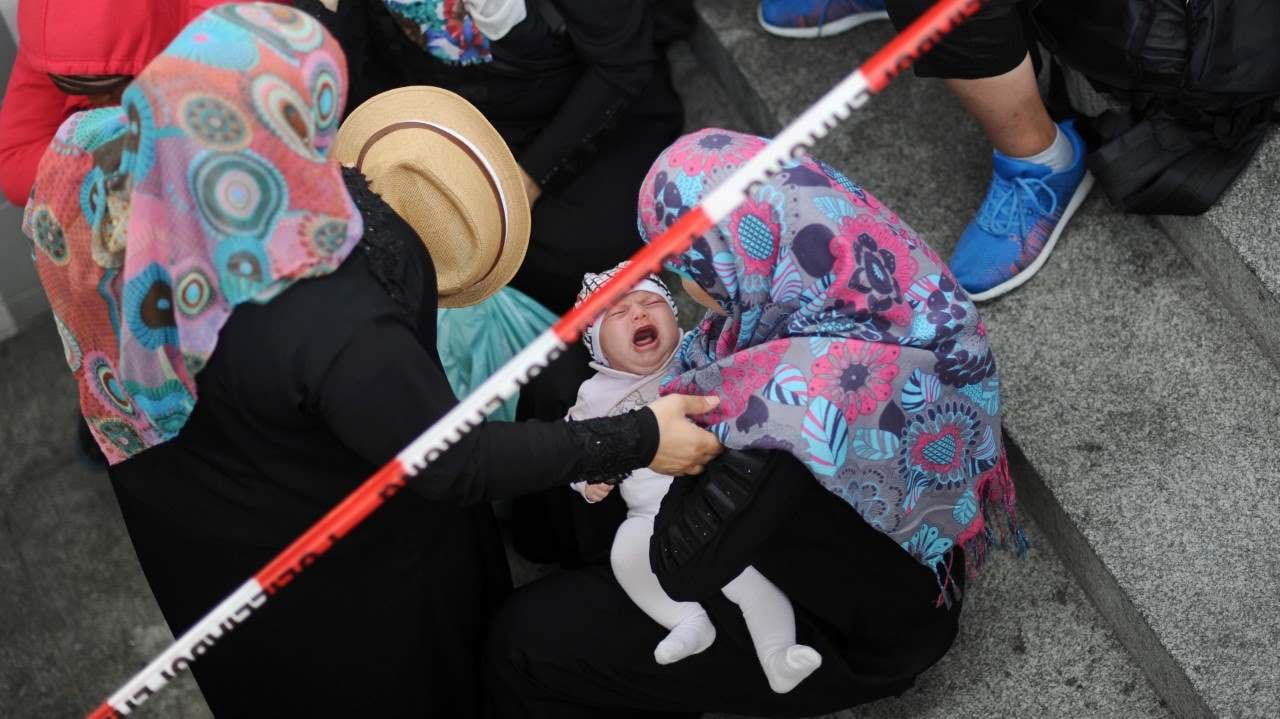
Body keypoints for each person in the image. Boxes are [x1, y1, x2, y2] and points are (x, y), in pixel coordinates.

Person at [22, 6, 721, 716]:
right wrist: (641, 437)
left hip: (193, 519)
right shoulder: (333, 320)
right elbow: (455, 459)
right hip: (346, 566)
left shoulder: (101, 161)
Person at [485, 129, 1025, 716]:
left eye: (682, 265)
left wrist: (632, 442)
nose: (683, 284)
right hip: (846, 549)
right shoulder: (877, 284)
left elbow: (681, 563)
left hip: (848, 630)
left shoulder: (785, 407)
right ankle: (561, 549)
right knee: (564, 387)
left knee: (523, 642)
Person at [296, 0, 688, 314]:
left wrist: (529, 179)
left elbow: (620, 68)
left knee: (568, 252)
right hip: (440, 96)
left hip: (567, 107)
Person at [568, 263, 821, 694]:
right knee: (626, 554)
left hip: (712, 492)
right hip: (646, 511)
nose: (638, 314)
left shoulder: (696, 353)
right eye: (617, 313)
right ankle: (687, 621)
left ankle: (778, 655)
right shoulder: (592, 398)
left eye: (651, 303)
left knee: (744, 576)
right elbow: (574, 448)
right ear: (597, 347)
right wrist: (588, 482)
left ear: (674, 315)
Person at [0, 0, 231, 207]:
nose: (96, 101)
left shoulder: (223, 25)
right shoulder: (50, 26)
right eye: (76, 86)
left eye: (108, 88)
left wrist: (81, 160)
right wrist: (114, 160)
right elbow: (15, 166)